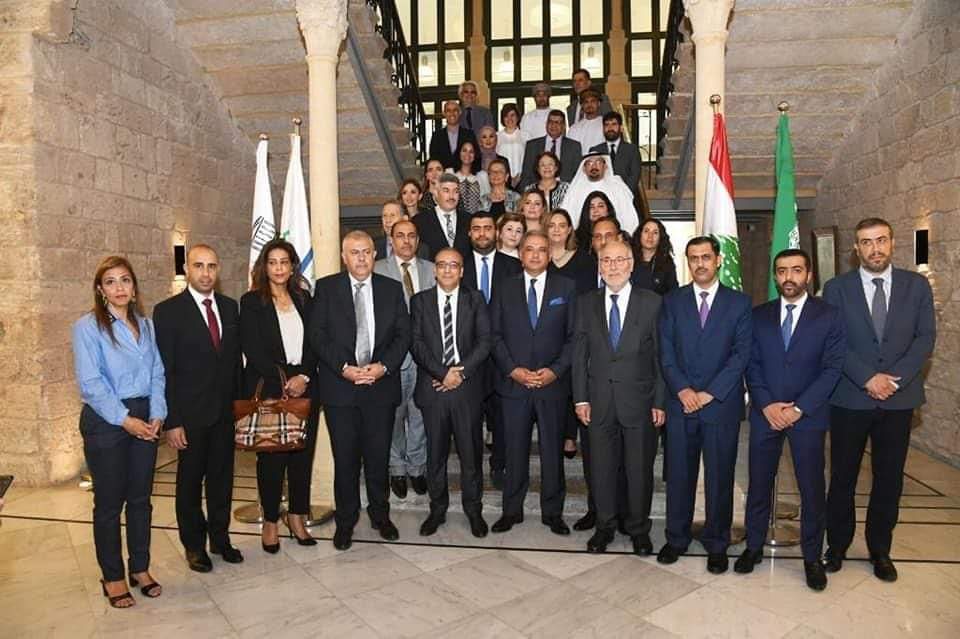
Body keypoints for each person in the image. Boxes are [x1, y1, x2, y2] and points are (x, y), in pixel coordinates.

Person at [822, 217, 936, 582]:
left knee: (889, 479)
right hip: (850, 398)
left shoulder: (916, 286)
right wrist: (867, 377)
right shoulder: (836, 288)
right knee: (843, 477)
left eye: (881, 240)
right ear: (856, 249)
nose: (875, 248)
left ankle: (880, 550)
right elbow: (833, 340)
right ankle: (837, 546)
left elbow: (924, 338)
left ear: (892, 242)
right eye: (867, 242)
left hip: (898, 401)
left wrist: (893, 380)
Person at [735, 248, 846, 591]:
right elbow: (751, 363)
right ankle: (753, 546)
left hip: (808, 416)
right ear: (775, 275)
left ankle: (812, 557)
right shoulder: (758, 315)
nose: (789, 277)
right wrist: (766, 404)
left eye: (796, 270)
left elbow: (833, 368)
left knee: (811, 489)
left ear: (808, 275)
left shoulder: (830, 316)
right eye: (782, 271)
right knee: (758, 483)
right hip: (765, 415)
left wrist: (799, 408)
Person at [73, 256, 166, 608]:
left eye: (125, 280)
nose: (119, 288)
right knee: (110, 504)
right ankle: (112, 576)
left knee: (141, 499)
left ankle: (139, 568)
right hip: (107, 420)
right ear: (101, 290)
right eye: (110, 282)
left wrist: (157, 413)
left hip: (145, 415)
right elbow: (91, 383)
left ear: (134, 286)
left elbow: (157, 372)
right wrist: (126, 420)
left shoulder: (146, 325)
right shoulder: (87, 327)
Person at [309, 231, 411, 550]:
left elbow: (403, 335)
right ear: (344, 257)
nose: (362, 258)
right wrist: (344, 368)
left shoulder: (391, 288)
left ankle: (381, 516)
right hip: (341, 390)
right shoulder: (326, 288)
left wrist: (383, 367)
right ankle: (346, 522)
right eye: (354, 252)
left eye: (366, 251)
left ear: (375, 254)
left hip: (380, 389)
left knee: (378, 459)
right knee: (346, 461)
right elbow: (317, 335)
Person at [657, 236, 752, 574]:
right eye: (694, 258)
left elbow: (741, 354)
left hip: (720, 406)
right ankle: (676, 538)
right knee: (679, 476)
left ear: (718, 260)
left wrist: (711, 393)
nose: (700, 263)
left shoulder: (739, 303)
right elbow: (665, 351)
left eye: (706, 257)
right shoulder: (672, 301)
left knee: (719, 477)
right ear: (688, 262)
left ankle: (717, 543)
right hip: (681, 404)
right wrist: (683, 390)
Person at [154, 244, 243, 572]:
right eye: (199, 266)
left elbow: (234, 364)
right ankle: (194, 546)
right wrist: (172, 421)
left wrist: (239, 410)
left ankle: (220, 539)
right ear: (187, 269)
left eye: (211, 266)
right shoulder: (168, 311)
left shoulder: (230, 307)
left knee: (222, 480)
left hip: (224, 414)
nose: (206, 273)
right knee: (189, 484)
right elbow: (164, 370)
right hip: (189, 416)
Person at [573, 239, 666, 554]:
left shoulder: (652, 302)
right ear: (599, 267)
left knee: (639, 470)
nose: (612, 266)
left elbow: (661, 357)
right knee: (601, 469)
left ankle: (639, 529)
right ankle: (604, 527)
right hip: (598, 401)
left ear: (631, 264)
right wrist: (580, 398)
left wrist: (660, 401)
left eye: (619, 260)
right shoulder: (586, 303)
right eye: (606, 260)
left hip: (640, 402)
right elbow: (579, 355)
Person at [490, 231, 576, 536]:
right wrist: (512, 370)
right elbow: (494, 335)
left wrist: (555, 371)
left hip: (552, 386)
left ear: (549, 255)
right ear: (521, 254)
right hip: (514, 385)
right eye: (530, 249)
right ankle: (511, 511)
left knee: (552, 453)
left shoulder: (567, 287)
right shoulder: (504, 288)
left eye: (542, 250)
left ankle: (553, 513)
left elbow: (573, 338)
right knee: (514, 452)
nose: (536, 255)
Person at [240, 239, 320, 553]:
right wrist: (286, 380)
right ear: (264, 266)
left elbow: (315, 342)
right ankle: (271, 520)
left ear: (292, 266)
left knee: (302, 456)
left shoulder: (304, 297)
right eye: (272, 262)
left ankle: (297, 516)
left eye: (284, 262)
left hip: (306, 386)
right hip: (272, 388)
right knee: (271, 459)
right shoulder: (251, 301)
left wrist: (304, 376)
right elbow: (253, 349)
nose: (278, 268)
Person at [410, 248, 491, 538]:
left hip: (466, 389)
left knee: (471, 455)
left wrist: (459, 373)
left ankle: (473, 510)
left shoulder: (476, 299)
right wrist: (442, 373)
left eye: (453, 265)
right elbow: (416, 343)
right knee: (435, 456)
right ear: (434, 270)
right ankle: (437, 509)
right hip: (434, 388)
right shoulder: (419, 301)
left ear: (462, 271)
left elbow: (485, 341)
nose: (447, 270)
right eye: (442, 265)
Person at [373, 220, 435, 500]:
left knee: (420, 414)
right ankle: (397, 467)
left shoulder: (432, 270)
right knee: (394, 415)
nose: (406, 241)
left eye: (411, 236)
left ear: (418, 240)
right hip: (392, 359)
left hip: (425, 359)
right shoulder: (377, 270)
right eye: (400, 236)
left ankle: (417, 467)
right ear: (391, 239)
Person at [461, 211, 523, 489]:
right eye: (477, 228)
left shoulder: (514, 266)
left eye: (487, 228)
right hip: (468, 355)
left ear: (495, 233)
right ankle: (472, 472)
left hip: (503, 354)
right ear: (469, 233)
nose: (482, 233)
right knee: (470, 419)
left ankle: (499, 465)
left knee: (502, 417)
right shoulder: (458, 265)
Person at [561, 153, 640, 234]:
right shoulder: (575, 191)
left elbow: (629, 217)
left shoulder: (617, 187)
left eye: (598, 162)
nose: (594, 166)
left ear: (605, 166)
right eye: (589, 163)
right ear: (584, 169)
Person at [414, 172, 472, 261]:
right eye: (446, 191)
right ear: (436, 193)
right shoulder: (420, 221)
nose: (451, 196)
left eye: (456, 191)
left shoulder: (469, 220)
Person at [519, 110, 583, 187]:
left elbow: (578, 175)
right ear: (546, 124)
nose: (553, 125)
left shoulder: (574, 147)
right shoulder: (532, 146)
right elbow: (526, 175)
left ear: (563, 126)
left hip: (566, 190)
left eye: (557, 122)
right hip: (537, 191)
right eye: (551, 122)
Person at [590, 112, 642, 196]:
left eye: (614, 124)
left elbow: (634, 176)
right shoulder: (595, 150)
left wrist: (622, 195)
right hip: (602, 197)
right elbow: (593, 176)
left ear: (621, 128)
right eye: (606, 125)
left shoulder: (632, 150)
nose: (610, 128)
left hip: (626, 196)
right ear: (603, 129)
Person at [631, 217, 678, 295]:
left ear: (660, 237)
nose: (650, 236)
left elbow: (673, 292)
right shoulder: (628, 258)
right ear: (640, 234)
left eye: (655, 232)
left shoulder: (667, 263)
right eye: (646, 231)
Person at [429, 100, 477, 169]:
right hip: (443, 174)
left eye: (455, 110)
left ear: (460, 112)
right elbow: (434, 159)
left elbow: (475, 157)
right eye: (448, 111)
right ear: (444, 113)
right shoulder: (436, 136)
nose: (452, 113)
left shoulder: (469, 135)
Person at [447, 140, 485, 215]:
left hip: (476, 219)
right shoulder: (449, 173)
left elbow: (486, 201)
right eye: (464, 150)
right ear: (459, 153)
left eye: (471, 152)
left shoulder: (482, 175)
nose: (467, 154)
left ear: (475, 155)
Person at [497, 103, 527, 186]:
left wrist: (519, 176)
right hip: (501, 180)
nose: (509, 119)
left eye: (512, 115)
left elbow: (529, 159)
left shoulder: (526, 135)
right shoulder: (496, 136)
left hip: (522, 179)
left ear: (517, 117)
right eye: (506, 116)